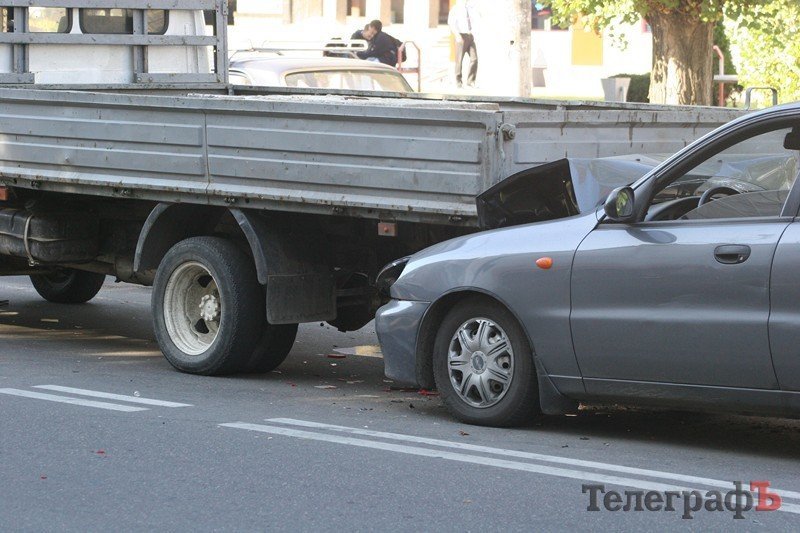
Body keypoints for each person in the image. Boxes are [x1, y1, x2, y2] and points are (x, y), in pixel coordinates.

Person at [448, 0, 477, 88]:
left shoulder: (469, 7)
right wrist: (457, 35)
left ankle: (470, 81)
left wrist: (473, 32)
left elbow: (473, 20)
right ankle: (458, 81)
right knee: (459, 60)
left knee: (474, 58)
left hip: (470, 35)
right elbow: (451, 23)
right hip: (461, 36)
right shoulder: (455, 9)